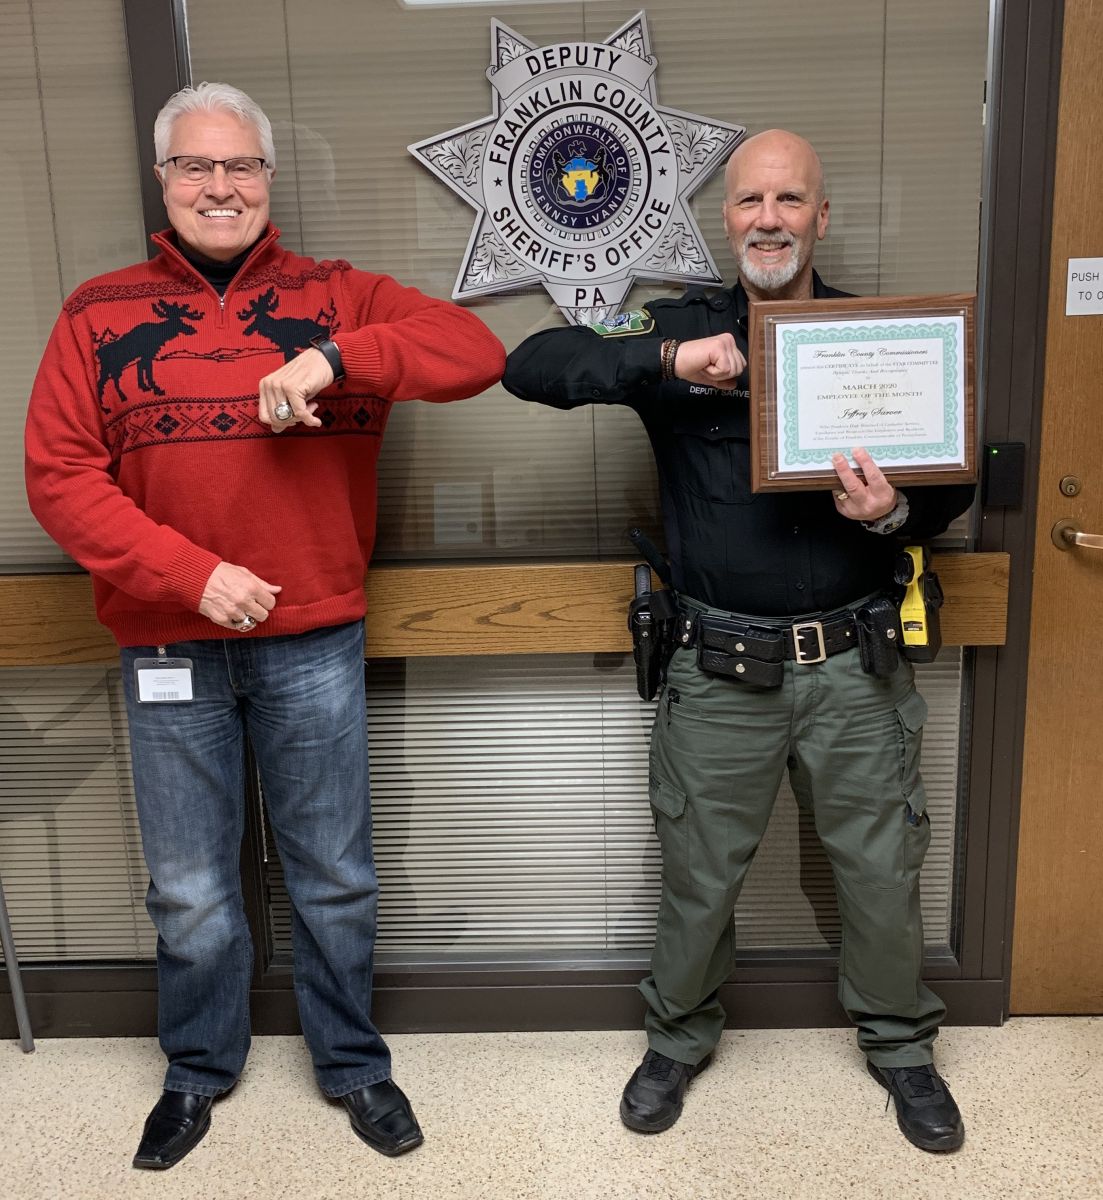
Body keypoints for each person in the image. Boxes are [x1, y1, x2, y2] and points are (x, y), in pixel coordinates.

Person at [25, 82, 505, 1169]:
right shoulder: (96, 314)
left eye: (239, 167)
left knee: (332, 871)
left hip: (311, 643)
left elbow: (474, 352)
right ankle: (197, 1072)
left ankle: (353, 1066)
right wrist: (189, 577)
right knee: (189, 888)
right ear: (164, 181)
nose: (219, 186)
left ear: (268, 179)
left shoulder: (340, 298)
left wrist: (336, 359)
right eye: (195, 167)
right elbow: (57, 476)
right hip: (167, 643)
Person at [502, 129, 975, 1153]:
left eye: (790, 199)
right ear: (724, 218)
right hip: (717, 673)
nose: (769, 217)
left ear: (820, 215)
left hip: (854, 667)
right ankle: (676, 1037)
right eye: (750, 200)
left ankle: (899, 1047)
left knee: (879, 870)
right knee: (697, 875)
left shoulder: (873, 338)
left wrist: (893, 511)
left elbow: (952, 482)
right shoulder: (671, 327)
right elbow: (535, 363)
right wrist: (668, 358)